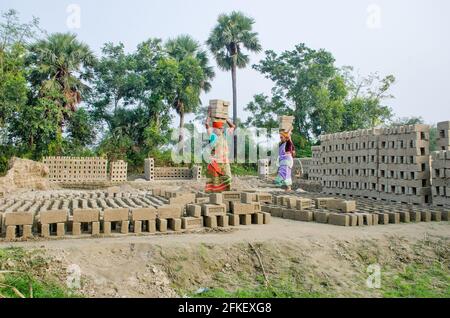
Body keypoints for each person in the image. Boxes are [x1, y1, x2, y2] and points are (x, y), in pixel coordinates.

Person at [204, 111, 236, 193]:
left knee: (228, 177)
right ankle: (215, 196)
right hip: (215, 162)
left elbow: (233, 126)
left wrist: (226, 118)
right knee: (215, 181)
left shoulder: (225, 134)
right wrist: (209, 114)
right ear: (214, 129)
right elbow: (207, 124)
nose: (220, 130)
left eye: (221, 129)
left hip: (225, 162)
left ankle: (226, 194)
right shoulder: (212, 136)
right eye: (218, 129)